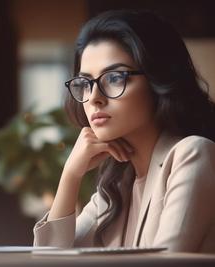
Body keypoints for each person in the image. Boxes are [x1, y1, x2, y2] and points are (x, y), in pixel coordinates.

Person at [33, 9, 215, 252]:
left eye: (115, 78)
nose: (94, 98)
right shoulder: (115, 188)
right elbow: (48, 260)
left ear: (157, 79)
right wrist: (70, 175)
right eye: (85, 83)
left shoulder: (192, 154)